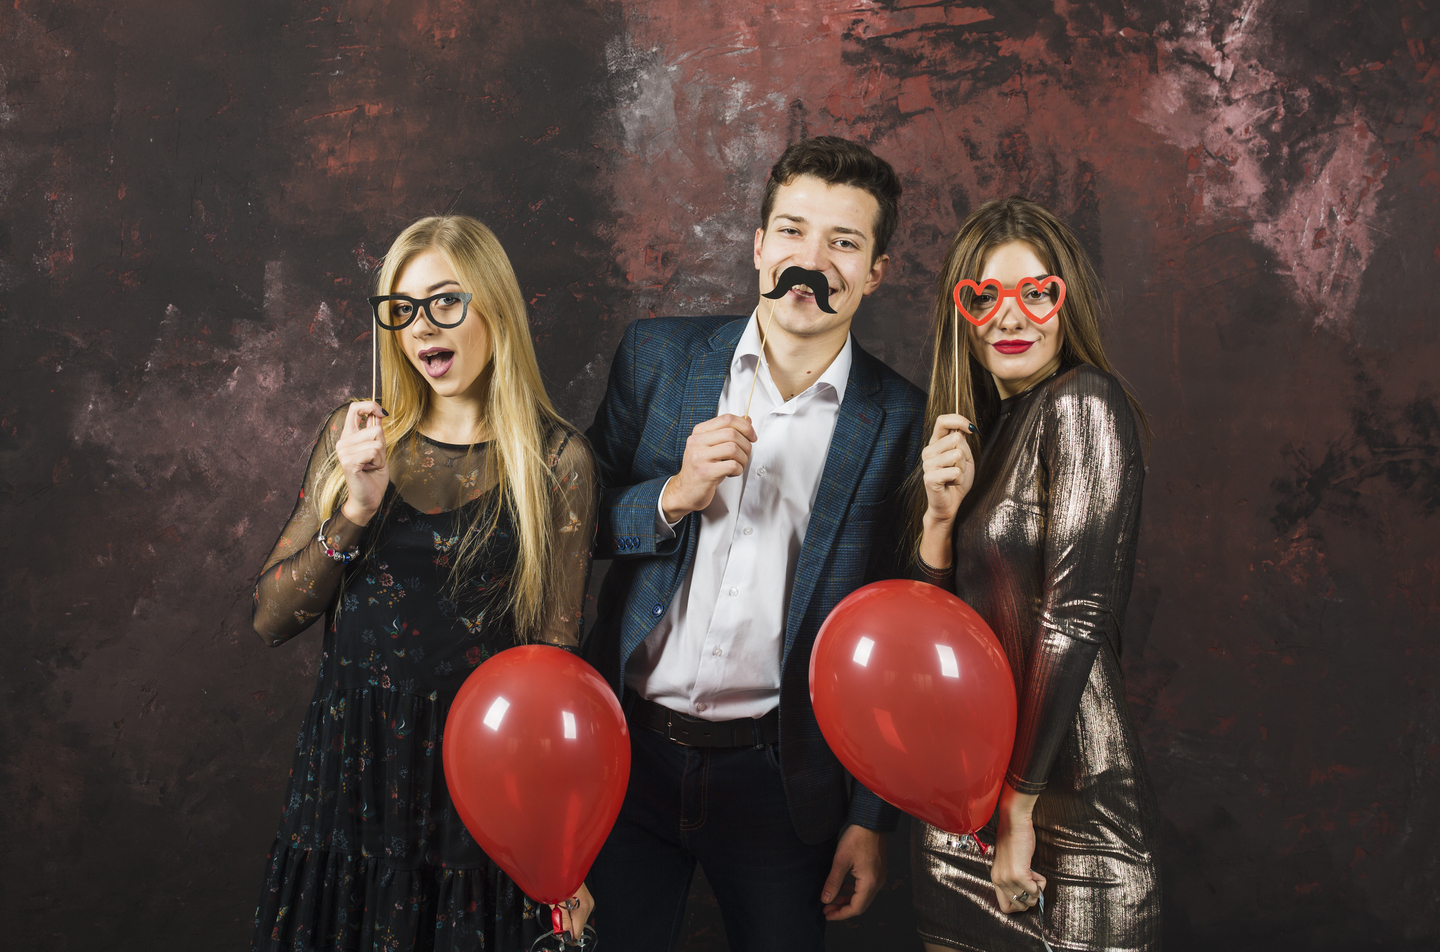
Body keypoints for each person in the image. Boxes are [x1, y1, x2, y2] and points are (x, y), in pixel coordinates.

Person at [582, 135, 928, 951]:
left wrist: (873, 821)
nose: (813, 260)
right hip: (626, 755)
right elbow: (573, 523)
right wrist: (672, 496)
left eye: (844, 242)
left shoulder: (901, 420)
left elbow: (904, 635)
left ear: (875, 270)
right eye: (794, 232)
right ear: (760, 245)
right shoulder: (658, 358)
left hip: (783, 781)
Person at [249, 215, 598, 951]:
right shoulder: (356, 437)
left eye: (446, 301)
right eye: (401, 310)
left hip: (479, 784)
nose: (420, 327)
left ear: (495, 306)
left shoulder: (555, 461)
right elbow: (270, 617)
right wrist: (357, 508)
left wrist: (562, 851)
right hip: (353, 771)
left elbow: (557, 668)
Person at [909, 196, 1161, 952]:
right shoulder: (977, 438)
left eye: (1035, 293)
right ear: (963, 312)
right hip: (962, 820)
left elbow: (1075, 613)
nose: (1009, 316)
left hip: (1073, 823)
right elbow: (928, 639)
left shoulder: (1084, 403)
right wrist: (939, 522)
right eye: (984, 296)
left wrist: (1019, 808)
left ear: (1065, 300)